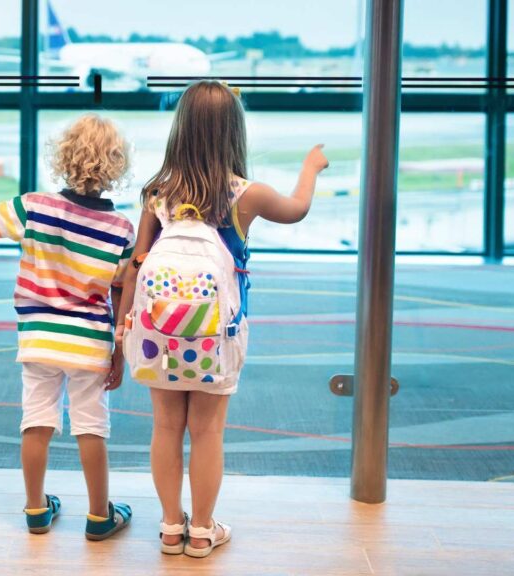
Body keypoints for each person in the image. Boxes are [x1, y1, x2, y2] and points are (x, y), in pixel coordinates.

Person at [114, 80, 329, 557]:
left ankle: (171, 527)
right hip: (216, 336)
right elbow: (297, 209)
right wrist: (311, 166)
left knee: (165, 428)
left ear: (181, 129)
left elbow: (137, 260)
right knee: (208, 431)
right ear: (234, 131)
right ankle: (204, 530)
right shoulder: (244, 195)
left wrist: (123, 325)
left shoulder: (158, 191)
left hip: (158, 335)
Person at [0, 114, 135, 540]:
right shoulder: (121, 230)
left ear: (64, 158)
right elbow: (120, 294)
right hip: (89, 343)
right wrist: (119, 353)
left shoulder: (34, 207)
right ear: (117, 165)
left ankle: (36, 510)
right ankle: (99, 516)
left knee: (36, 421)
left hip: (38, 339)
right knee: (91, 426)